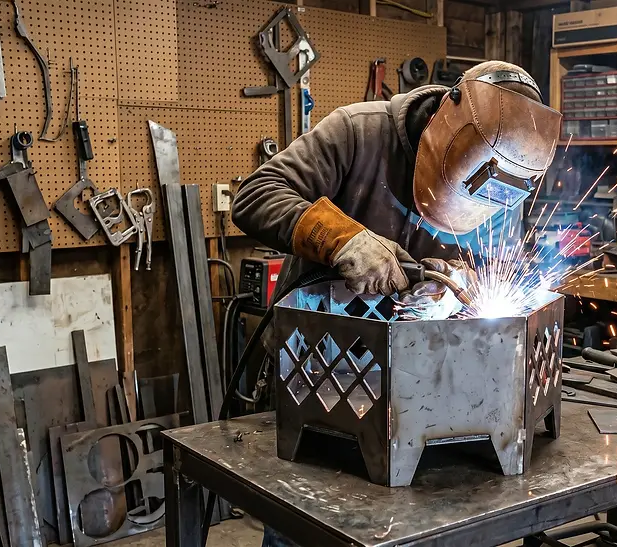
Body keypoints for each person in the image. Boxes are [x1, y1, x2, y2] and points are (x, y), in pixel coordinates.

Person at [231, 60, 562, 547]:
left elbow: (494, 274)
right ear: (444, 123)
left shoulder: (507, 182)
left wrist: (461, 286)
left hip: (430, 406)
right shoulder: (357, 133)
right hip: (326, 380)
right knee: (307, 525)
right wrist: (342, 240)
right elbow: (255, 196)